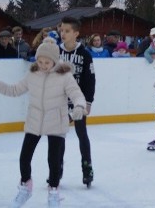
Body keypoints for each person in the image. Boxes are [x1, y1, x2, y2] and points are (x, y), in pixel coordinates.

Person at [0, 38, 87, 207]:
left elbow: (76, 94)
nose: (43, 65)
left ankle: (54, 191)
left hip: (56, 122)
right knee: (24, 158)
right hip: (35, 121)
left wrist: (79, 107)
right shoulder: (32, 74)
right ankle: (26, 187)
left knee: (54, 161)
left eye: (47, 62)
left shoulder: (64, 76)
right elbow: (15, 90)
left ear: (54, 60)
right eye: (40, 61)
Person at [57, 16, 96, 187]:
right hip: (60, 102)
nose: (62, 33)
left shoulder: (85, 55)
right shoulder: (55, 52)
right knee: (58, 137)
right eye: (61, 30)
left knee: (82, 134)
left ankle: (87, 169)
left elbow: (90, 80)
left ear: (76, 33)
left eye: (67, 31)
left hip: (78, 101)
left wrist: (88, 102)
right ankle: (56, 169)